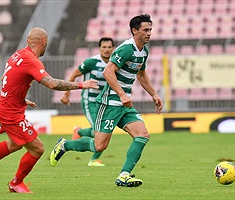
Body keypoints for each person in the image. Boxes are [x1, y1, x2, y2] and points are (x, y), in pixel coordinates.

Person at [0, 27, 98, 193]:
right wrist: (80, 85)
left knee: (14, 145)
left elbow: (5, 78)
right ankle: (16, 182)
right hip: (9, 112)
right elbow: (51, 83)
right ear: (43, 42)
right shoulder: (32, 60)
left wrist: (18, 98)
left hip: (5, 105)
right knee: (37, 149)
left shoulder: (18, 54)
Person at [50, 14, 163, 187]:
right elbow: (108, 72)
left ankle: (124, 175)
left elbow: (141, 75)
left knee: (142, 135)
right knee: (99, 146)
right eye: (145, 30)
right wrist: (122, 94)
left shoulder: (143, 51)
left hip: (125, 105)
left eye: (150, 29)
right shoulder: (126, 49)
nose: (149, 33)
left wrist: (154, 94)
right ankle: (65, 145)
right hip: (109, 103)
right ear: (134, 31)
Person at [61, 37, 115, 167]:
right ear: (99, 48)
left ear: (113, 48)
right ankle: (93, 160)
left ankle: (79, 132)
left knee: (106, 130)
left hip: (105, 103)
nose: (107, 50)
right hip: (90, 102)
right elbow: (74, 74)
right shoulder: (92, 62)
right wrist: (66, 93)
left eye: (109, 47)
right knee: (100, 131)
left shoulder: (114, 63)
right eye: (104, 47)